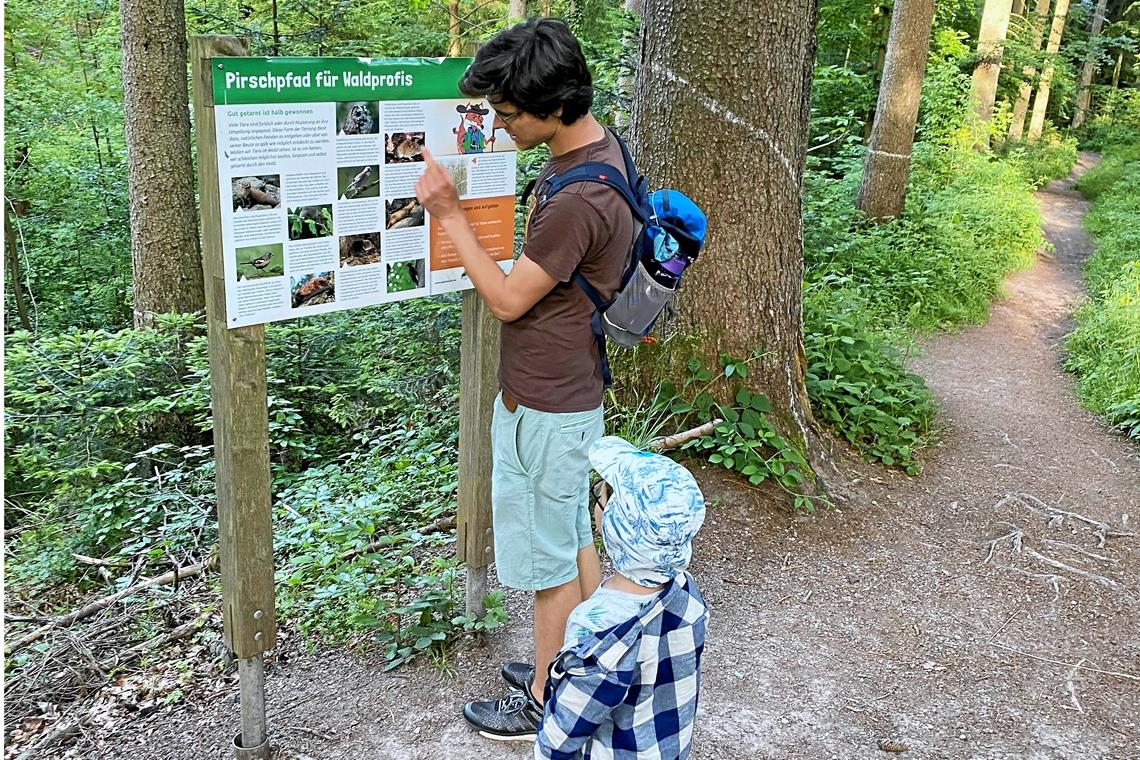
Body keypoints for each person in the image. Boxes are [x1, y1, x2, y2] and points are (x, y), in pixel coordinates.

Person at [414, 18, 635, 740]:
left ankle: (547, 700)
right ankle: (585, 660)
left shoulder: (579, 198)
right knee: (571, 533)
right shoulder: (596, 152)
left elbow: (509, 298)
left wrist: (449, 214)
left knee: (547, 562)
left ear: (557, 104)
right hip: (565, 393)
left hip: (548, 399)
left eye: (509, 114)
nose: (500, 125)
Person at [535, 435, 709, 759]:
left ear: (615, 526)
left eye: (598, 497)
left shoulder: (598, 635)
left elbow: (565, 731)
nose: (595, 502)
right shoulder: (687, 592)